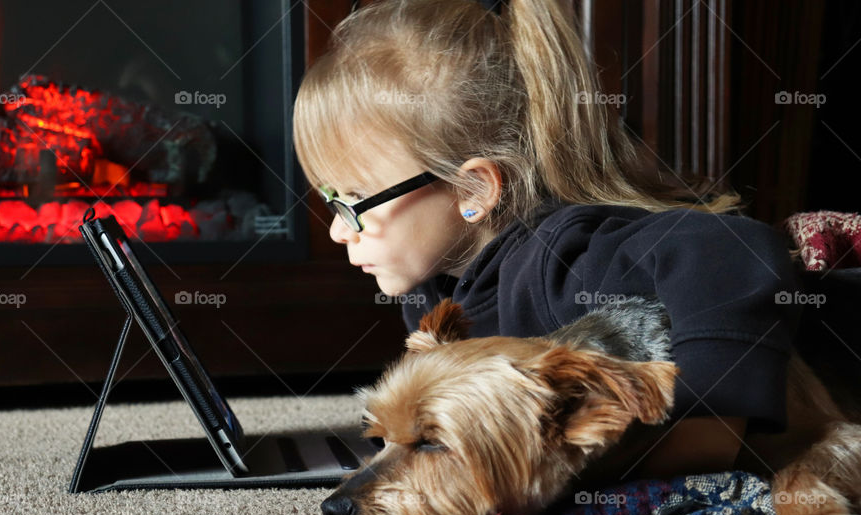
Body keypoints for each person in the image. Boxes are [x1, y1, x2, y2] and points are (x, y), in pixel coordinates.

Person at [290, 0, 834, 478]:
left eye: (354, 201)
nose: (339, 229)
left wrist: (708, 423)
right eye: (328, 201)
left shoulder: (565, 259)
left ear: (472, 188)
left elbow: (730, 248)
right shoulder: (432, 291)